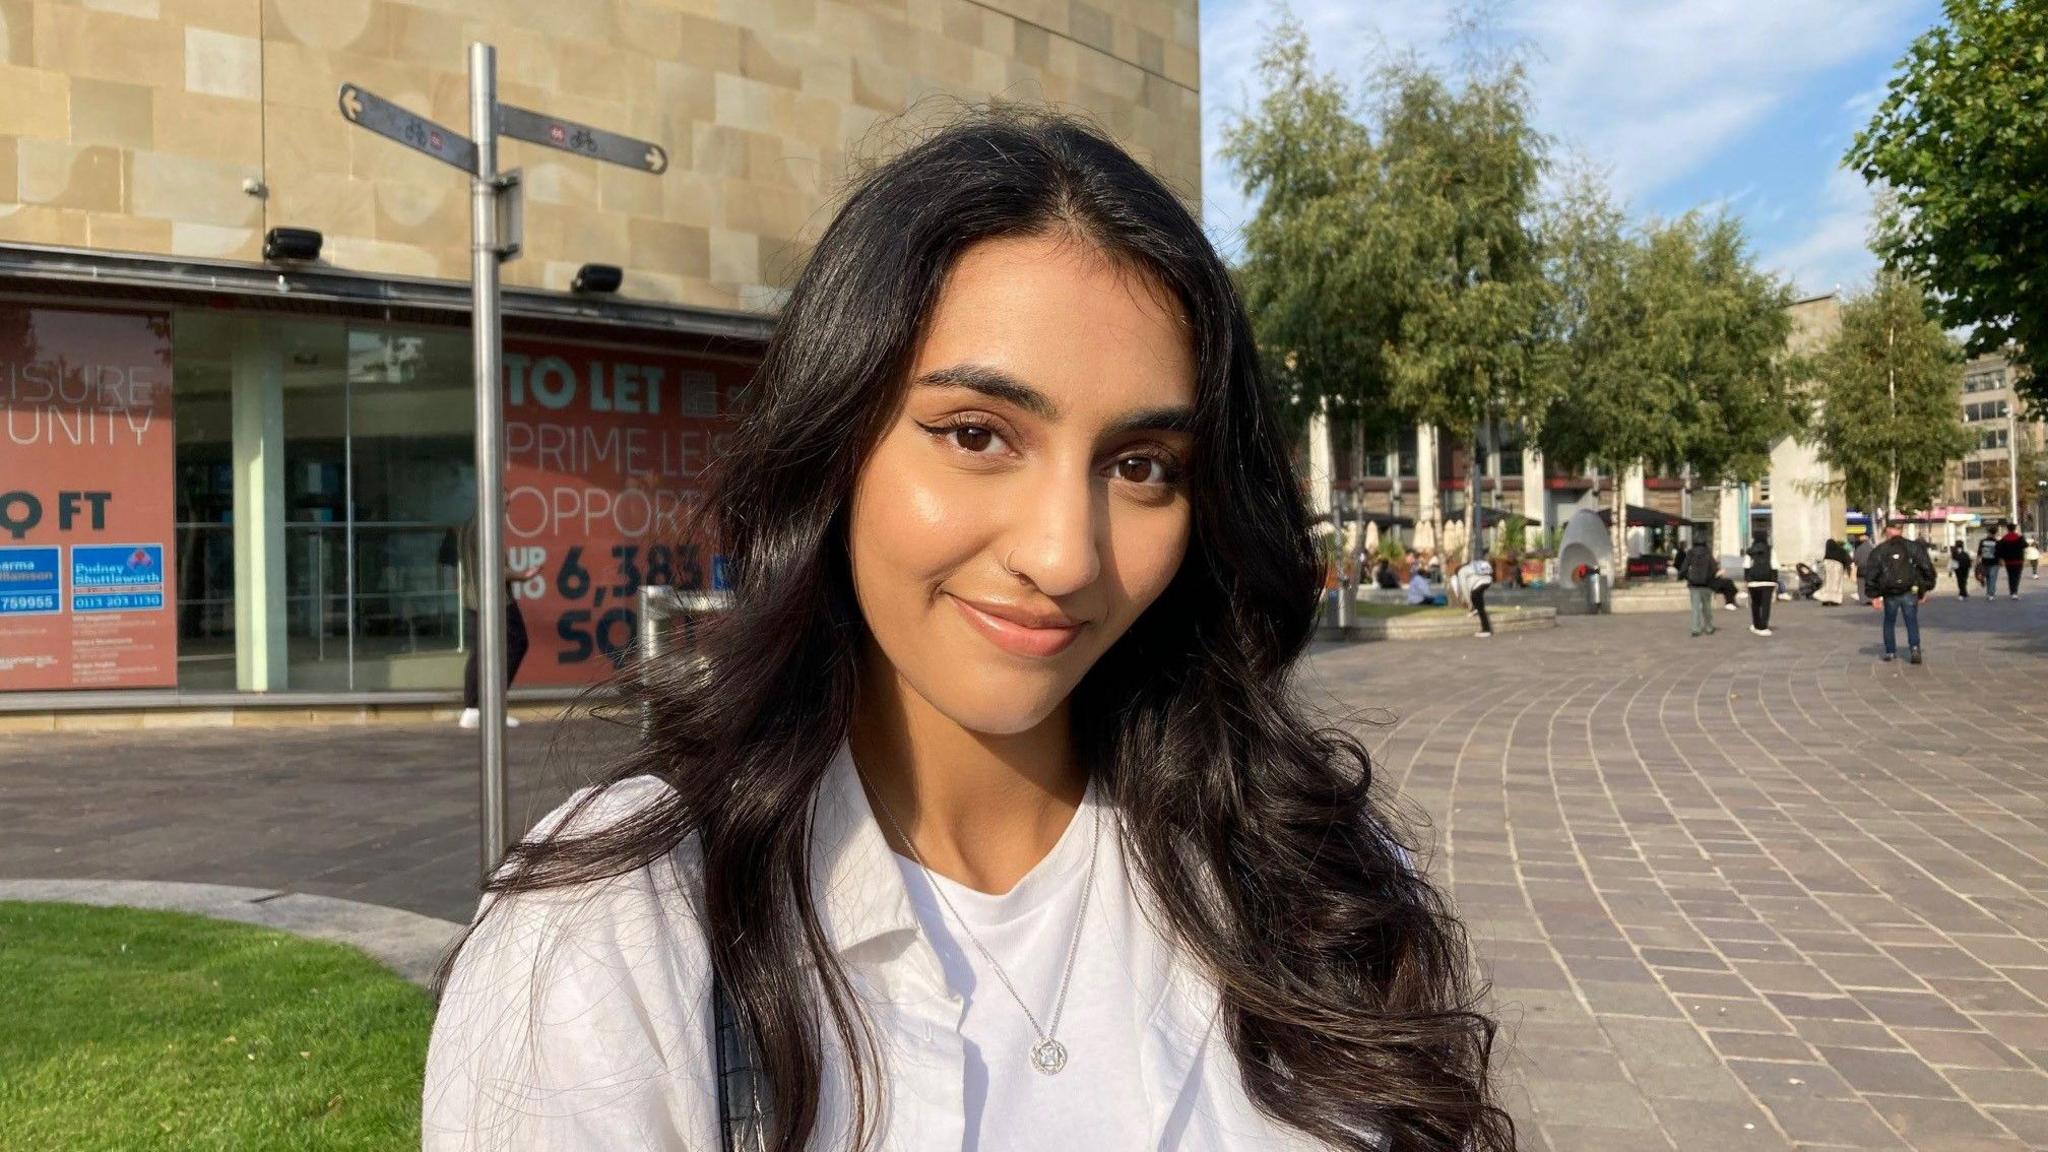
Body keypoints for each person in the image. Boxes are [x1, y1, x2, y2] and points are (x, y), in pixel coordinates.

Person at [421, 110, 1512, 1152]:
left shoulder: (1316, 876)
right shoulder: (622, 930)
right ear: (836, 445)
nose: (1064, 556)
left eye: (1140, 467)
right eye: (977, 434)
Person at [454, 513, 542, 730]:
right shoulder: (485, 525)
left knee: (482, 651)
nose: (506, 510)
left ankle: (474, 709)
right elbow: (494, 568)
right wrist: (524, 575)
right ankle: (489, 708)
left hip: (475, 598)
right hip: (494, 599)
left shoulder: (467, 525)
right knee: (516, 643)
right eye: (504, 503)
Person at [1863, 521, 1937, 664]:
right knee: (1911, 620)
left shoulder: (1880, 550)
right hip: (1909, 590)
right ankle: (1915, 648)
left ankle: (1890, 651)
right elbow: (1926, 567)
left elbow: (1872, 572)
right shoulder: (1913, 547)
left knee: (1889, 621)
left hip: (1889, 592)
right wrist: (1925, 588)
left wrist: (1873, 595)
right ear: (1901, 530)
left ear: (1888, 530)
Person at [1681, 538, 1719, 637]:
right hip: (1706, 585)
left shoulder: (1690, 553)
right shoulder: (1708, 553)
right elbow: (1714, 568)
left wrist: (1688, 578)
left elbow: (1684, 568)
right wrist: (1710, 577)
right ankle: (1709, 627)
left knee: (1695, 608)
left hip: (1693, 585)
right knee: (1707, 607)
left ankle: (1695, 629)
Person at [1453, 552, 1494, 638]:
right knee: (1478, 601)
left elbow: (1464, 588)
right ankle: (1475, 610)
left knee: (1480, 606)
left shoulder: (1461, 572)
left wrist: (1469, 603)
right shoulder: (1471, 565)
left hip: (1479, 584)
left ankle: (1486, 630)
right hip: (1488, 580)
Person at [1743, 535, 1777, 636]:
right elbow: (1774, 565)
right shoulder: (1770, 550)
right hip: (1768, 581)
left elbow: (1746, 565)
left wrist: (1747, 580)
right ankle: (1763, 626)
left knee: (1755, 604)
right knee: (1766, 605)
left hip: (1753, 582)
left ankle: (1756, 625)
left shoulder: (1750, 551)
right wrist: (1775, 580)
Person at [1995, 521, 2025, 598]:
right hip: (2018, 561)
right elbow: (2025, 545)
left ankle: (2012, 592)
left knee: (2010, 576)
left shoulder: (2004, 539)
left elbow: (1999, 550)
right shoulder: (2019, 538)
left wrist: (2000, 559)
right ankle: (2015, 592)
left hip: (2008, 561)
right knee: (2017, 576)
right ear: (2015, 529)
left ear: (2007, 529)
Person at [1818, 537, 1851, 605]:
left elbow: (1823, 563)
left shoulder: (1828, 553)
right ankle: (1835, 600)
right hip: (1838, 568)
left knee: (1828, 585)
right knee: (1837, 584)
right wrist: (1847, 570)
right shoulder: (1840, 550)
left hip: (1828, 569)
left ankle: (1826, 599)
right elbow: (1846, 560)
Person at [1850, 533, 1874, 602]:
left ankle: (1864, 599)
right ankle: (1870, 598)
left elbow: (1855, 560)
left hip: (1861, 570)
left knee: (1861, 585)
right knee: (1870, 585)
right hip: (1870, 569)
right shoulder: (1872, 548)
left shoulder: (1858, 549)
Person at [1977, 529, 1998, 596]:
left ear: (1988, 533)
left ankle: (1989, 592)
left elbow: (1979, 552)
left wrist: (1977, 561)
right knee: (1993, 577)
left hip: (1985, 561)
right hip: (1994, 562)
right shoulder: (1997, 542)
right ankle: (1991, 592)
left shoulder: (1983, 541)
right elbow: (2000, 552)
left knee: (1988, 577)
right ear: (1995, 533)